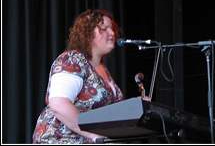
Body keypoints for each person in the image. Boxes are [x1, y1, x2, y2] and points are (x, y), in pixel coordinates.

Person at [32, 9, 151, 144]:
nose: (112, 33)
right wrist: (94, 136)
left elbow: (108, 112)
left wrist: (133, 106)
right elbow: (59, 105)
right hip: (62, 137)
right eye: (104, 29)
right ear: (87, 34)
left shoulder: (102, 70)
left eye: (112, 29)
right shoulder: (72, 60)